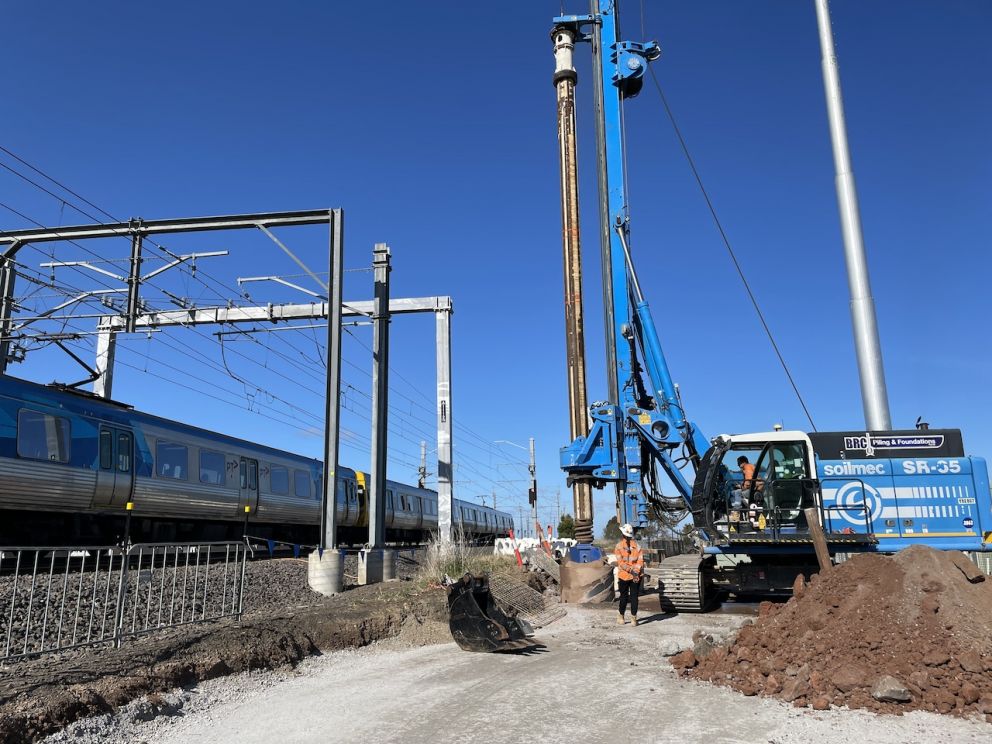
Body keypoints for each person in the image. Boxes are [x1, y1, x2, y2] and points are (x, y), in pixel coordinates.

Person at [614, 523, 644, 626]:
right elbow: (640, 562)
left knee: (624, 597)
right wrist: (635, 572)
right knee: (633, 597)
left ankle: (622, 617)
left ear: (622, 535)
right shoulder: (638, 547)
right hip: (634, 575)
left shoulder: (618, 546)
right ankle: (633, 619)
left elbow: (620, 563)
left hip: (626, 575)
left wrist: (632, 571)